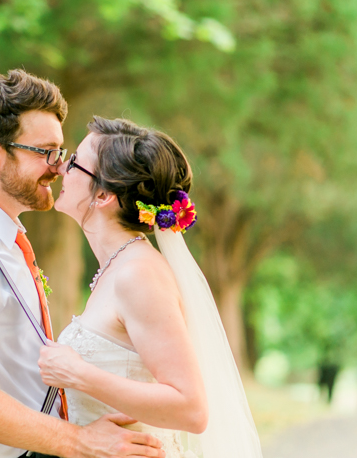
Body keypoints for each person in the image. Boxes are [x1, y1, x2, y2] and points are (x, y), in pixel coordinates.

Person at [0, 71, 164, 458]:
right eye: (45, 152)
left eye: (59, 153)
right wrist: (79, 442)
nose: (58, 168)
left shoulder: (2, 240)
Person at [39, 117, 263, 458]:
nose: (59, 170)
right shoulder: (117, 268)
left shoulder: (138, 274)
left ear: (102, 195)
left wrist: (79, 373)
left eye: (73, 163)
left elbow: (191, 409)